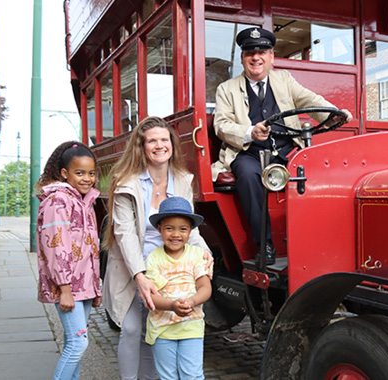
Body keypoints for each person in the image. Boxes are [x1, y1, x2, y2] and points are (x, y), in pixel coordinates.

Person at [212, 27, 353, 264]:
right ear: (242, 58)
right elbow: (221, 125)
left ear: (271, 56)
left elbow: (310, 100)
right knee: (247, 175)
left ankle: (322, 240)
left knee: (320, 171)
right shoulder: (226, 89)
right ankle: (264, 243)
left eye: (261, 51)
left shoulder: (284, 79)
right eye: (250, 53)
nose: (256, 57)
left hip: (287, 150)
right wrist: (249, 132)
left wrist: (333, 114)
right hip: (249, 152)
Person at [102, 116, 212, 380]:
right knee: (130, 329)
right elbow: (125, 233)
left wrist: (206, 255)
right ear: (141, 146)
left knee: (155, 330)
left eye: (164, 140)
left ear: (172, 144)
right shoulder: (126, 181)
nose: (159, 145)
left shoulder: (182, 180)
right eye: (152, 141)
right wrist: (139, 275)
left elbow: (189, 228)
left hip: (171, 267)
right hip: (133, 266)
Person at [35, 141, 101, 380]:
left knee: (73, 343)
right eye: (80, 173)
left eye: (91, 173)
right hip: (67, 287)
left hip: (82, 287)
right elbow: (56, 247)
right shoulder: (58, 201)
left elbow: (90, 250)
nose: (87, 178)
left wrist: (95, 288)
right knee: (78, 344)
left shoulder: (85, 202)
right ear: (64, 173)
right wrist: (64, 289)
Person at [144, 196, 212, 380]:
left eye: (183, 229)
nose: (176, 234)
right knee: (168, 376)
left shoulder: (197, 256)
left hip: (192, 327)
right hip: (162, 329)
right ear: (159, 229)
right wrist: (172, 305)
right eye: (169, 228)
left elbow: (205, 287)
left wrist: (192, 301)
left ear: (191, 231)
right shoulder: (153, 259)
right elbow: (150, 297)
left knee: (193, 375)